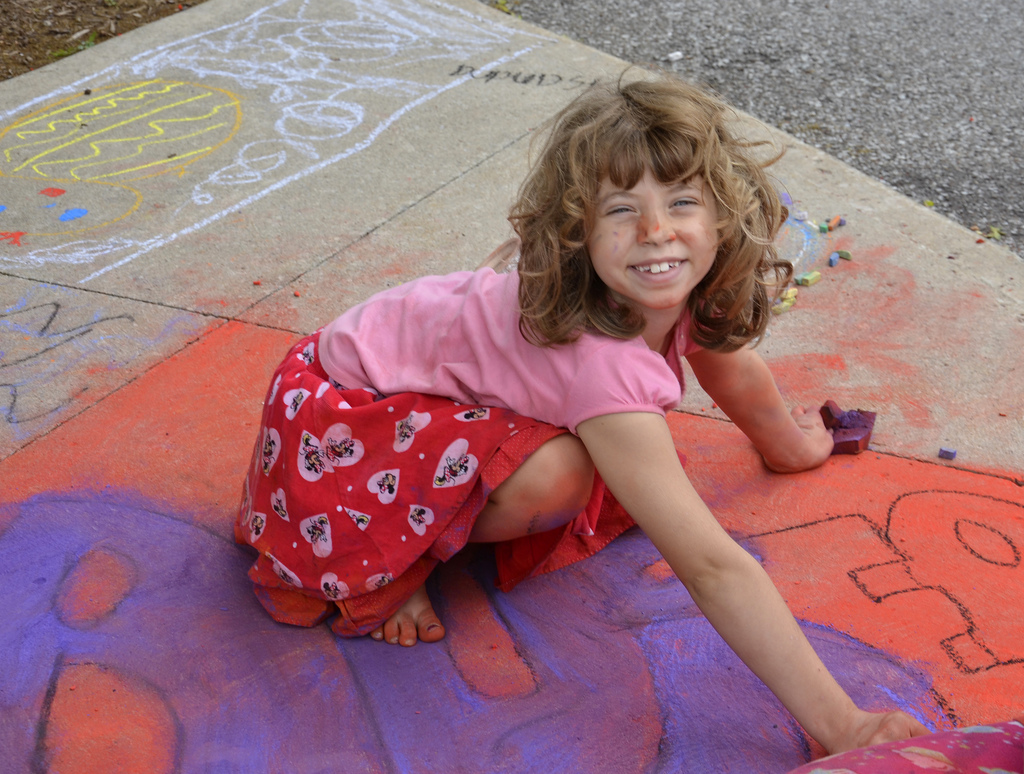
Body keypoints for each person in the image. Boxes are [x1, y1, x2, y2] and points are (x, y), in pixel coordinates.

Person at [236, 73, 930, 754]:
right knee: (562, 477)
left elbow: (727, 361)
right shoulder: (602, 362)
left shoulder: (673, 285)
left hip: (405, 395)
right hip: (342, 425)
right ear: (578, 232)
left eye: (683, 200)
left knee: (577, 463)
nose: (657, 230)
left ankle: (426, 518)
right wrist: (844, 725)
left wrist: (789, 446)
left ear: (722, 214)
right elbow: (712, 567)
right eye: (622, 208)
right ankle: (394, 560)